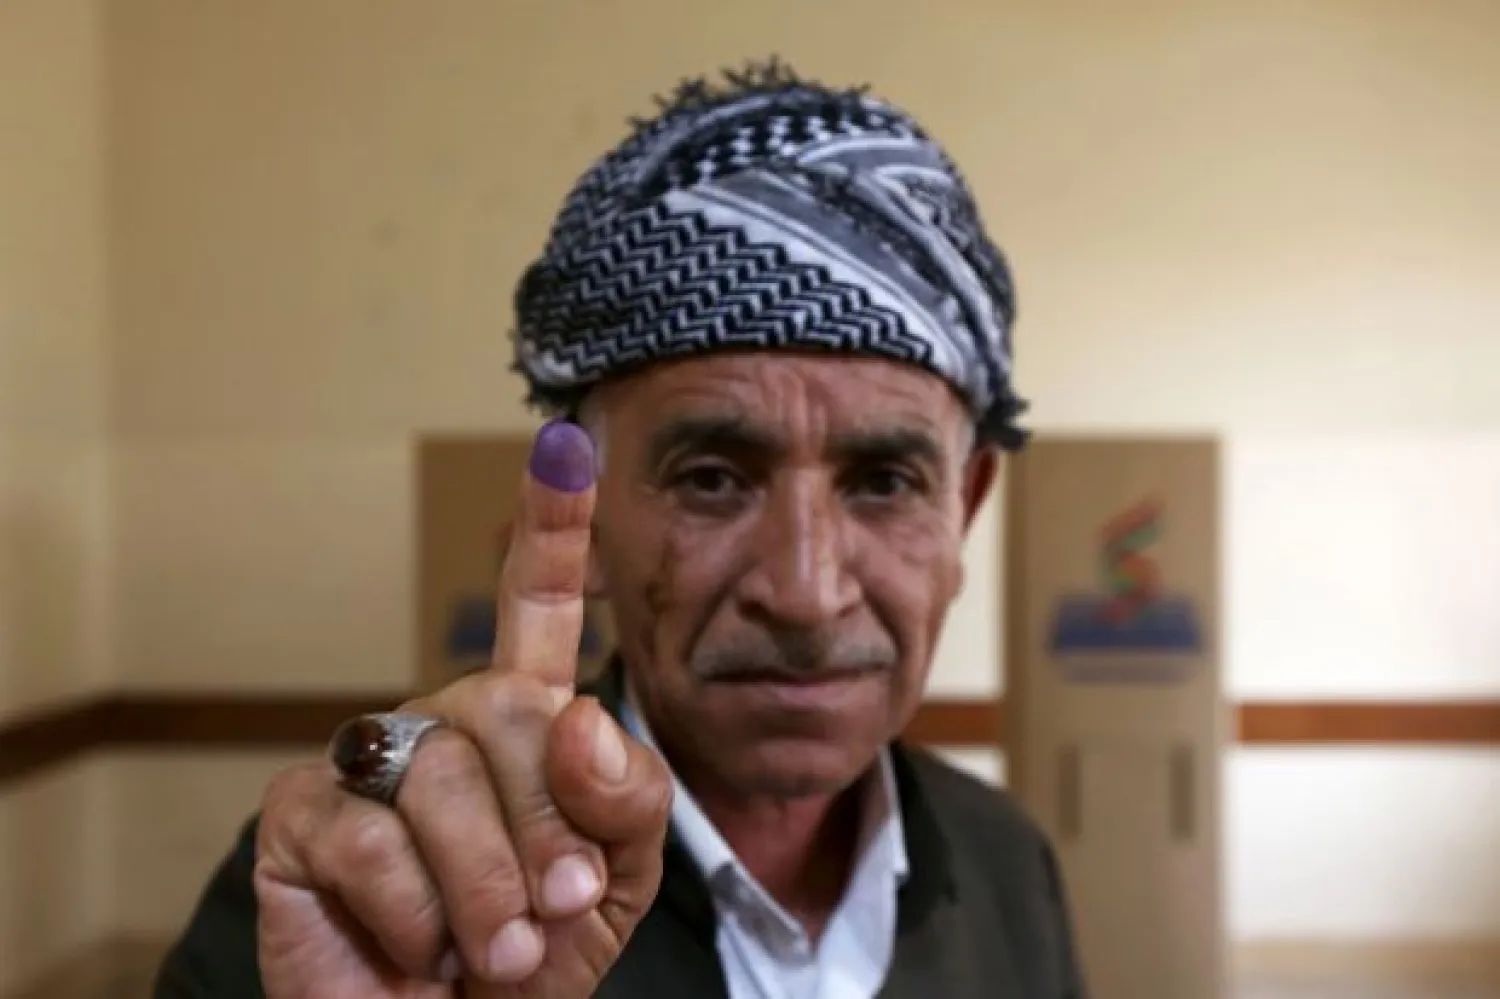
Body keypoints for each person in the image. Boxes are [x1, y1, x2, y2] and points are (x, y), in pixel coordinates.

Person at [154, 59, 1087, 999]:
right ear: (588, 519)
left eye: (885, 481)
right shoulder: (372, 912)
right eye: (713, 479)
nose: (807, 592)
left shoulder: (1007, 868)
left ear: (964, 505)